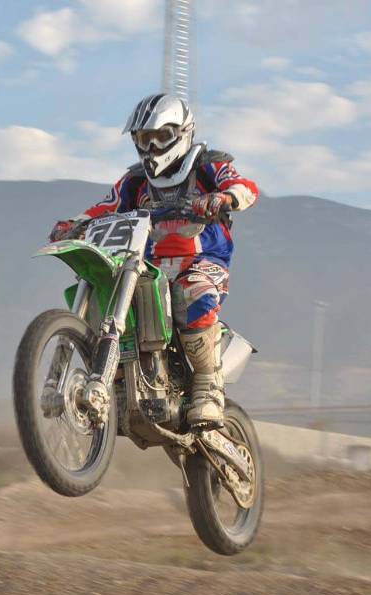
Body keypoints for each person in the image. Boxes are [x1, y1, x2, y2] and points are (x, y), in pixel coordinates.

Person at [49, 93, 259, 430]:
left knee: (192, 292)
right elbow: (106, 206)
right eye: (144, 138)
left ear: (181, 133)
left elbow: (244, 187)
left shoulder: (208, 165)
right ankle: (120, 379)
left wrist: (224, 197)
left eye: (161, 136)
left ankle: (208, 387)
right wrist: (74, 223)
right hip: (150, 265)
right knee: (111, 296)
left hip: (202, 260)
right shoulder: (135, 181)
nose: (152, 147)